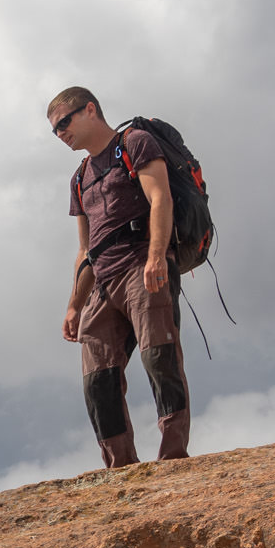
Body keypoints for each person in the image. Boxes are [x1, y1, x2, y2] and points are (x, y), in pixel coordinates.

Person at [51, 86, 192, 469]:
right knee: (97, 380)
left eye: (65, 122)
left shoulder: (135, 142)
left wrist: (157, 255)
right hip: (102, 282)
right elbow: (85, 249)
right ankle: (121, 467)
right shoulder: (79, 178)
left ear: (90, 110)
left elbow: (160, 198)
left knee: (159, 356)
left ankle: (173, 457)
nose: (61, 133)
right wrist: (73, 305)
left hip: (141, 265)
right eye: (55, 130)